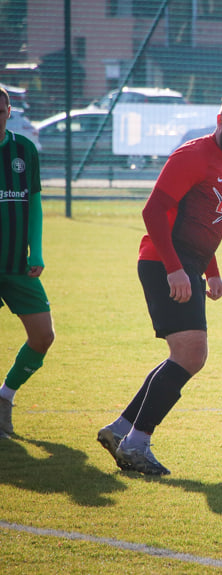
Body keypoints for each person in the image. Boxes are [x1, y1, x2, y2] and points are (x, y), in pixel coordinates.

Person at [96, 90, 222, 475]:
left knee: (184, 355)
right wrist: (175, 268)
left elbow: (206, 224)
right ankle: (135, 444)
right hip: (163, 261)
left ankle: (120, 429)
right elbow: (153, 210)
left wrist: (213, 271)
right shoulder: (193, 155)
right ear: (221, 120)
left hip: (188, 263)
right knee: (191, 354)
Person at [0, 87, 55, 439]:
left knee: (43, 335)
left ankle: (4, 397)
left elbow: (33, 201)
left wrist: (36, 251)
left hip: (18, 263)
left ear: (7, 110)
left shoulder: (24, 150)